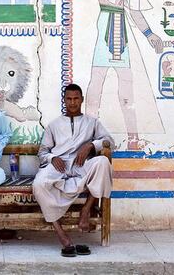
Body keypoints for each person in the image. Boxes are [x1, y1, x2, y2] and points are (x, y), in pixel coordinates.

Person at [84, 0, 164, 150]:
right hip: (106, 27)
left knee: (127, 89)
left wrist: (150, 34)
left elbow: (133, 8)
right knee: (96, 84)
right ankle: (88, 137)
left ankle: (133, 139)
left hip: (122, 30)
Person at [33, 83, 115, 257]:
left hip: (80, 165)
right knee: (39, 184)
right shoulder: (54, 125)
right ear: (64, 100)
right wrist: (52, 158)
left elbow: (110, 142)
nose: (72, 102)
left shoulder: (92, 123)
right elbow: (42, 152)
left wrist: (91, 145)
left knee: (102, 163)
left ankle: (86, 211)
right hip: (59, 166)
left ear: (82, 100)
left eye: (76, 98)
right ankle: (61, 234)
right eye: (69, 99)